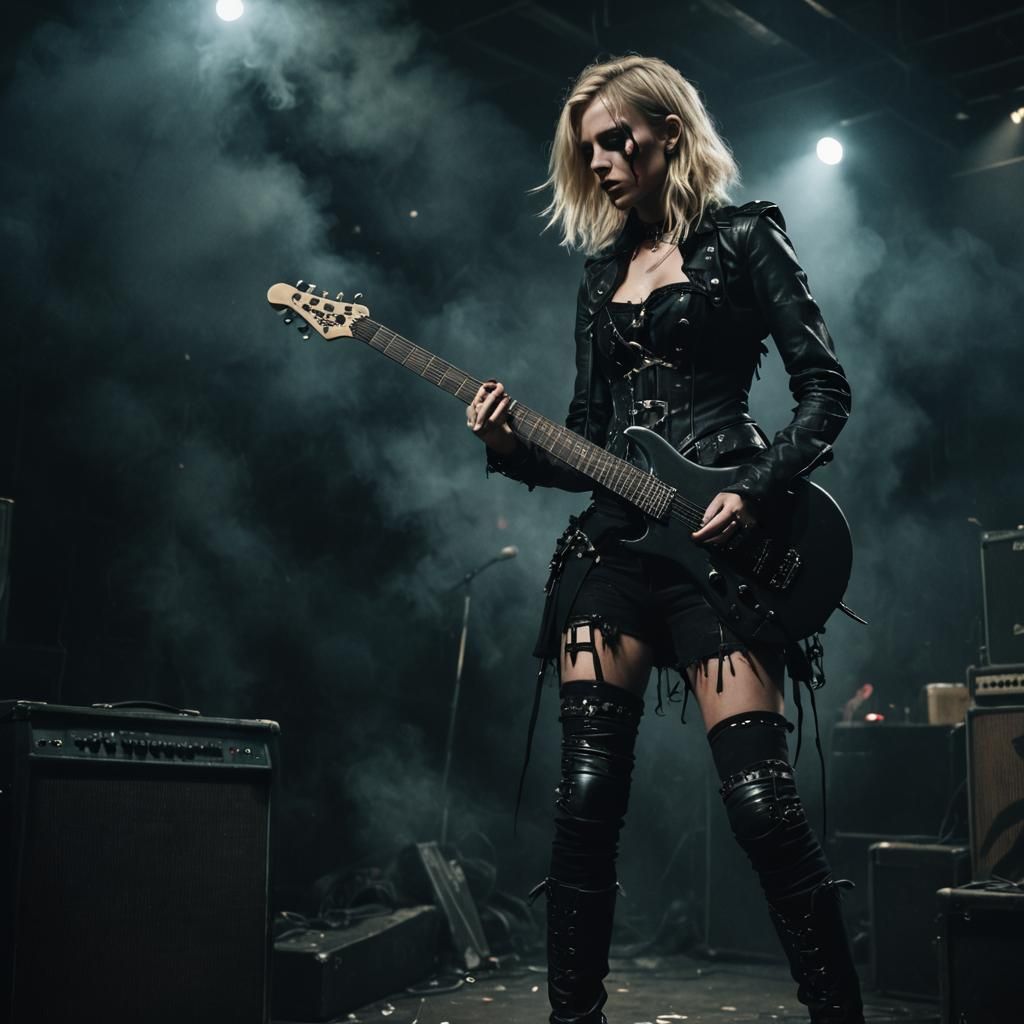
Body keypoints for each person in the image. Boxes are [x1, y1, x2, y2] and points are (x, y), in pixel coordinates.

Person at [465, 55, 860, 1024]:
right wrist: (512, 446)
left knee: (762, 804)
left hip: (726, 545)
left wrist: (758, 490)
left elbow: (826, 392)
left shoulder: (743, 236)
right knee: (587, 794)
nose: (599, 160)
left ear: (668, 132)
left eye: (615, 139)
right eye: (586, 147)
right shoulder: (599, 274)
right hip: (612, 551)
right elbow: (590, 441)